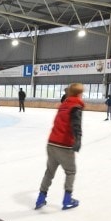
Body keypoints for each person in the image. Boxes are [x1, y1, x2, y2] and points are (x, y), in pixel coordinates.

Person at [35, 82, 84, 211]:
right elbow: (76, 125)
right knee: (71, 171)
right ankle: (67, 199)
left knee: (49, 172)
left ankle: (41, 198)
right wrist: (78, 140)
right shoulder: (76, 106)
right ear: (79, 93)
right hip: (64, 145)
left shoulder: (63, 105)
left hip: (51, 143)